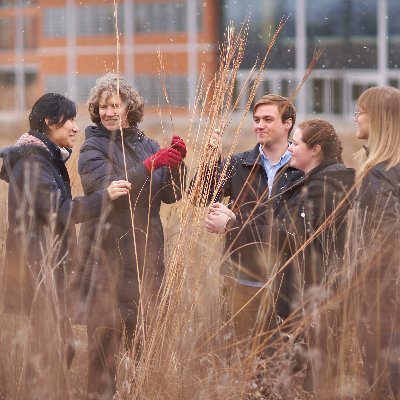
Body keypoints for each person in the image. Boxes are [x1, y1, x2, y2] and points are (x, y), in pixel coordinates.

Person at [209, 119, 355, 393]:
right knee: (283, 375)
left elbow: (287, 237)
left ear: (316, 150)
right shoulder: (312, 182)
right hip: (297, 294)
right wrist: (234, 218)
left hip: (312, 299)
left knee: (305, 381)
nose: (290, 148)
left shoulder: (325, 187)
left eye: (296, 143)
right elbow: (280, 228)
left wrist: (230, 226)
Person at [0, 93, 130, 399]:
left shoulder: (42, 158)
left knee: (57, 349)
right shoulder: (33, 163)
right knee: (56, 350)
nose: (75, 127)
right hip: (39, 272)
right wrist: (105, 197)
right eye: (69, 119)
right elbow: (61, 212)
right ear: (49, 122)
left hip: (46, 271)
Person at [74, 72, 186, 399]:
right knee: (102, 360)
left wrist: (177, 165)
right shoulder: (92, 147)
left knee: (142, 358)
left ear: (129, 107)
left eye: (115, 105)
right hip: (104, 264)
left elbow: (171, 195)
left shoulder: (147, 143)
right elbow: (109, 190)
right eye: (103, 106)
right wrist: (149, 166)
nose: (109, 112)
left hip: (145, 262)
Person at [203, 94, 303, 341]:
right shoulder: (239, 164)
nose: (259, 125)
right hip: (242, 277)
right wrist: (210, 161)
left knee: (282, 359)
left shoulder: (301, 168)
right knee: (243, 354)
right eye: (257, 119)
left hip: (286, 279)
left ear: (287, 123)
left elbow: (296, 228)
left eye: (268, 119)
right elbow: (201, 195)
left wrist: (232, 223)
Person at [351, 86, 400, 397]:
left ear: (379, 119)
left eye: (361, 111)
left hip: (385, 298)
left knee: (383, 379)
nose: (356, 117)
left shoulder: (379, 174)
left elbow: (385, 239)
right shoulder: (390, 168)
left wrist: (357, 281)